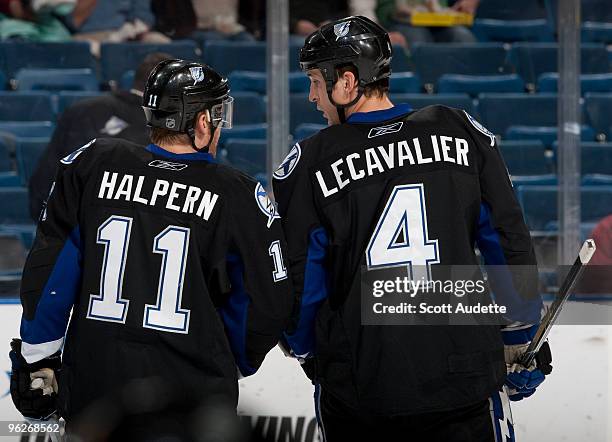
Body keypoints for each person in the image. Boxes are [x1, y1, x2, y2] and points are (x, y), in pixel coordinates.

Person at [273, 16, 552, 441]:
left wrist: (309, 351)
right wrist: (522, 335)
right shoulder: (459, 131)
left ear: (347, 82)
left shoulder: (311, 160)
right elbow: (506, 240)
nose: (312, 96)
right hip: (463, 373)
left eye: (315, 80)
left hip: (364, 384)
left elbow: (303, 282)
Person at [9, 59, 294, 437]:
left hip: (97, 384)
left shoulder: (95, 162)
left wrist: (37, 358)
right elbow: (266, 302)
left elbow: (51, 275)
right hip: (193, 393)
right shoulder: (237, 193)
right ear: (204, 121)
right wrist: (233, 359)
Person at [28, 52, 171, 220]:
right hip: (131, 235)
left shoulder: (79, 110)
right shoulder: (167, 130)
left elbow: (43, 184)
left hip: (68, 229)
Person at [376, 0, 479, 45]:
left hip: (440, 20)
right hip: (398, 22)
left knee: (464, 37)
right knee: (419, 39)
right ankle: (424, 87)